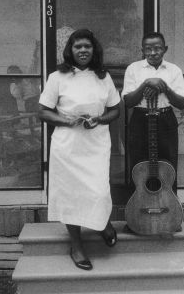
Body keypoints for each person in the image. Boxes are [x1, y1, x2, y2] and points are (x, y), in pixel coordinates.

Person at [38, 29, 120, 271]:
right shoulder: (57, 77)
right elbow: (43, 111)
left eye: (87, 46)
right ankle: (76, 246)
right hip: (68, 146)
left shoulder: (103, 77)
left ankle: (102, 223)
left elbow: (115, 110)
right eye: (77, 47)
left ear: (94, 49)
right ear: (70, 51)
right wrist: (66, 121)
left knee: (99, 191)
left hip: (95, 143)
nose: (83, 50)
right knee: (71, 195)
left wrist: (99, 119)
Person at [122, 32, 184, 194]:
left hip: (165, 119)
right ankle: (138, 209)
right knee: (138, 165)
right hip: (140, 120)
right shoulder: (133, 69)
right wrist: (146, 83)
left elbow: (181, 103)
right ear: (142, 50)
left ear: (165, 49)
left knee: (168, 165)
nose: (153, 53)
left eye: (157, 48)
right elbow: (129, 102)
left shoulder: (174, 70)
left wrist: (163, 86)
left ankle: (168, 209)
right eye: (148, 49)